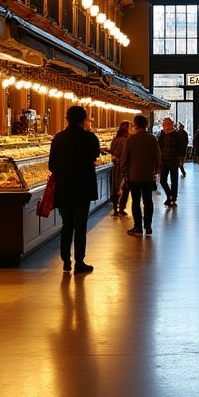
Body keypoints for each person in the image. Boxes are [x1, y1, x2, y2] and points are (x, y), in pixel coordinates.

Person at [48, 104, 100, 274]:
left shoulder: (58, 138)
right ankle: (79, 261)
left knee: (66, 224)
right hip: (83, 187)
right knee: (80, 225)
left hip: (63, 187)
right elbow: (95, 157)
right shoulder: (90, 138)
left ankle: (65, 261)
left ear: (66, 119)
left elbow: (51, 165)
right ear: (84, 119)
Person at [123, 114, 160, 237]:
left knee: (136, 201)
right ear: (146, 124)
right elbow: (158, 157)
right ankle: (148, 226)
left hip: (134, 175)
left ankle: (138, 227)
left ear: (135, 124)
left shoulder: (131, 139)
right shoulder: (152, 138)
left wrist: (125, 173)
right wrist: (156, 171)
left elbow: (125, 157)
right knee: (148, 200)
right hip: (148, 175)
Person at [159, 117, 184, 207]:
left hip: (173, 159)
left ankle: (173, 198)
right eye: (164, 124)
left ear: (170, 125)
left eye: (166, 124)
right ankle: (169, 195)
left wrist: (181, 158)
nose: (165, 126)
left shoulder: (176, 135)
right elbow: (159, 147)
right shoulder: (162, 135)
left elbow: (181, 147)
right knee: (162, 180)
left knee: (174, 180)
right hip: (164, 160)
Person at [109, 120, 131, 216]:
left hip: (116, 166)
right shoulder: (128, 140)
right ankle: (121, 207)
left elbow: (112, 151)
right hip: (125, 167)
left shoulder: (115, 139)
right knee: (125, 188)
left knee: (116, 186)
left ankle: (115, 208)